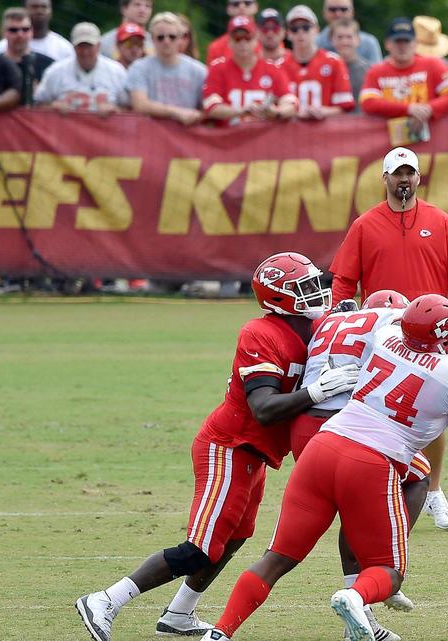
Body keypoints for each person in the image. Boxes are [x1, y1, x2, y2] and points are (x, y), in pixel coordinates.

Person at [75, 253, 357, 641]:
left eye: (313, 283)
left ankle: (178, 614)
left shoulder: (316, 327)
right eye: (302, 288)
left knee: (234, 538)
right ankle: (106, 599)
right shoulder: (260, 333)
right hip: (229, 445)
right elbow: (263, 409)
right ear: (277, 299)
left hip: (256, 454)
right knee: (200, 548)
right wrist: (316, 391)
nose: (314, 293)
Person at [196, 295, 448, 641]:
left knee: (277, 557)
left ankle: (220, 632)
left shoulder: (385, 340)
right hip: (373, 461)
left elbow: (379, 322)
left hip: (324, 446)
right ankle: (355, 597)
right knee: (389, 571)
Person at [330, 147, 448, 532]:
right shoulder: (365, 224)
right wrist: (340, 318)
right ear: (385, 178)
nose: (403, 179)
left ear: (418, 177)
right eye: (397, 173)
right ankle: (380, 490)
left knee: (436, 414)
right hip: (381, 333)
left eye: (410, 173)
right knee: (373, 411)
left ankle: (435, 491)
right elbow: (344, 280)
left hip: (432, 334)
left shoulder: (440, 222)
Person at [292, 290, 421, 641]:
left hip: (305, 425)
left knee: (288, 550)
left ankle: (366, 612)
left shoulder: (328, 320)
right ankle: (381, 567)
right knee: (418, 476)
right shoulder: (387, 325)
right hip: (350, 424)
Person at [359, 17, 448, 132]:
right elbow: (367, 103)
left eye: (407, 41)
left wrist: (429, 109)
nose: (402, 46)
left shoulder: (432, 64)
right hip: (387, 144)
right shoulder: (376, 71)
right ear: (387, 44)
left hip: (430, 141)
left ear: (415, 43)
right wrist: (408, 109)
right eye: (398, 41)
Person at [202, 16, 296, 125]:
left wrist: (276, 112)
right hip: (229, 137)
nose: (243, 43)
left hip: (263, 138)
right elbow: (210, 106)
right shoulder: (218, 68)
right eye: (237, 38)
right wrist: (240, 111)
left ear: (256, 40)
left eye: (247, 38)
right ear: (229, 42)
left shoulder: (272, 69)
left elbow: (290, 102)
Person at [126, 12, 207, 125]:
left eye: (172, 37)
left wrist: (198, 115)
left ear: (180, 38)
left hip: (186, 136)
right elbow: (140, 104)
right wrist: (177, 112)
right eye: (160, 37)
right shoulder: (139, 68)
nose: (166, 41)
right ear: (152, 39)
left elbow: (208, 106)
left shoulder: (199, 71)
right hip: (151, 136)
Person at [34, 23, 129, 115]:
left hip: (105, 130)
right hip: (65, 129)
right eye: (81, 46)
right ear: (73, 47)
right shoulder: (56, 71)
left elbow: (131, 108)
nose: (85, 52)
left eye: (89, 46)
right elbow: (37, 105)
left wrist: (115, 110)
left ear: (99, 46)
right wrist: (53, 106)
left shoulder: (116, 71)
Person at [280, 5, 354, 120]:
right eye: (294, 29)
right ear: (287, 33)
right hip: (290, 135)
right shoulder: (279, 66)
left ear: (316, 29)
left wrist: (323, 111)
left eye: (306, 27)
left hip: (325, 134)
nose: (300, 32)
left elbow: (344, 107)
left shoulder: (334, 62)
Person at [0, 7, 55, 107]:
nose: (20, 34)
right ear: (4, 32)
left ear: (32, 32)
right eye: (13, 30)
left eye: (25, 29)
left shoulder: (50, 66)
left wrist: (40, 95)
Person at [0, 0, 74, 61]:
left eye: (44, 7)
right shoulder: (2, 47)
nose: (39, 11)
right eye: (34, 7)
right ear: (24, 9)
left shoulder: (65, 48)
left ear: (51, 11)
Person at [316, 0, 382, 64]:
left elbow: (377, 72)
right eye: (332, 9)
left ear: (352, 12)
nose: (338, 13)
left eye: (343, 9)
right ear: (324, 13)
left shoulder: (369, 43)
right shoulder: (315, 43)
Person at [330, 17, 370, 111]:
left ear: (358, 40)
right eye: (340, 37)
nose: (344, 42)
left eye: (349, 37)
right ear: (332, 40)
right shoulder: (325, 69)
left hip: (361, 123)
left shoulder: (369, 70)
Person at [206, 0, 260, 64]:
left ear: (256, 7)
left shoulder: (267, 42)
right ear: (228, 8)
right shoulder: (216, 48)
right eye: (236, 4)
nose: (241, 7)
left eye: (247, 3)